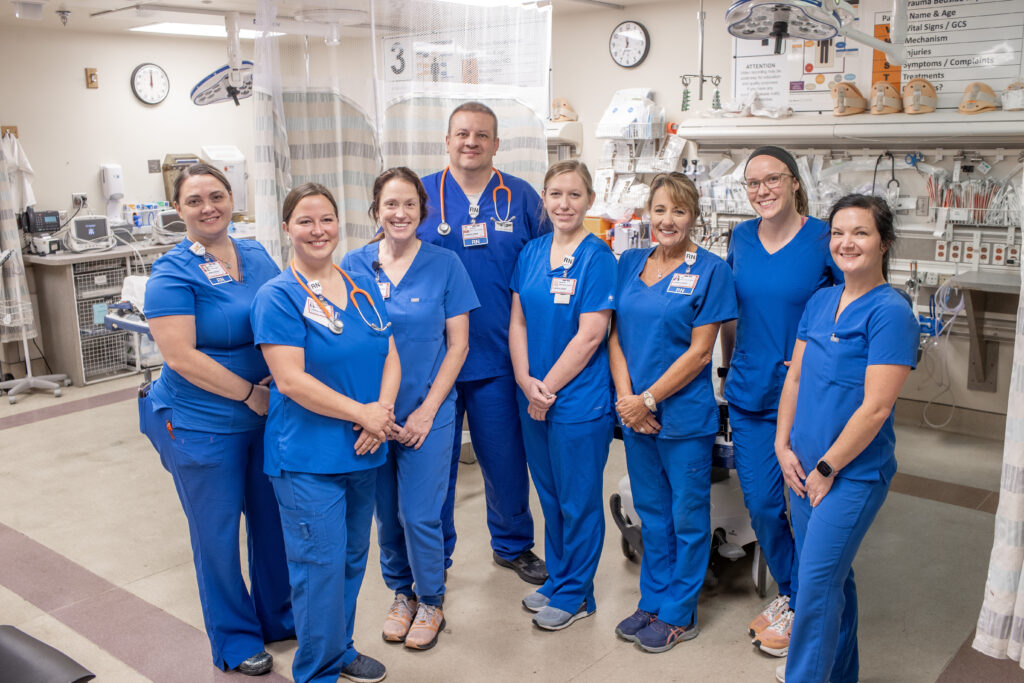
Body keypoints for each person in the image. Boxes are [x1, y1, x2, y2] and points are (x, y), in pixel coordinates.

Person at [139, 163, 293, 676]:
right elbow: (180, 356)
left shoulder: (256, 253)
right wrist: (249, 393)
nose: (208, 208)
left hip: (266, 418)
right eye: (194, 200)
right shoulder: (171, 274)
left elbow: (283, 310)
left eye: (217, 196)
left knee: (272, 522)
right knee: (218, 535)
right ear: (177, 209)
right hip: (201, 424)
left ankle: (279, 617)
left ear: (232, 198)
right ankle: (235, 639)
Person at [251, 183, 400, 683]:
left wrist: (381, 413)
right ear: (287, 229)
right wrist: (364, 414)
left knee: (352, 560)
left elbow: (390, 353)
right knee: (319, 569)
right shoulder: (278, 296)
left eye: (327, 220)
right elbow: (291, 381)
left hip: (362, 448)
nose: (318, 231)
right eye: (306, 221)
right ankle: (317, 673)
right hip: (307, 458)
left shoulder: (360, 284)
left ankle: (340, 648)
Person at [773, 194, 918, 683]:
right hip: (803, 467)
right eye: (838, 233)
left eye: (860, 232)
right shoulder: (820, 301)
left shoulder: (891, 313)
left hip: (850, 475)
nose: (846, 243)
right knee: (832, 579)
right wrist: (782, 446)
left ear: (884, 242)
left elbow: (876, 407)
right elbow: (795, 377)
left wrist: (827, 467)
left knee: (814, 587)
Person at [341, 168, 478, 650]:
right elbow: (345, 341)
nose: (400, 213)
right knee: (385, 514)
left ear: (422, 211)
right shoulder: (353, 265)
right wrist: (368, 412)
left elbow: (458, 345)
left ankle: (432, 599)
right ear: (376, 210)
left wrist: (426, 411)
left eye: (409, 205)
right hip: (373, 415)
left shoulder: (445, 265)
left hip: (428, 412)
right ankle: (402, 594)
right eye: (390, 204)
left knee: (419, 514)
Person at [719, 146, 843, 658]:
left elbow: (847, 311)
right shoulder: (741, 238)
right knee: (766, 508)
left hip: (808, 398)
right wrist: (729, 369)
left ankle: (810, 605)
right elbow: (732, 315)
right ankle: (794, 596)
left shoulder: (824, 239)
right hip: (751, 394)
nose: (762, 190)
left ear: (794, 182)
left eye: (772, 179)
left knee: (810, 510)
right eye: (752, 183)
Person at [418, 101, 549, 585]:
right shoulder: (421, 196)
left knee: (505, 460)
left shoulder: (521, 197)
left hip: (498, 355)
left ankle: (513, 545)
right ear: (447, 140)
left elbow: (549, 257)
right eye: (462, 133)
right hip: (433, 361)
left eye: (481, 135)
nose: (470, 142)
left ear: (496, 144)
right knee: (434, 466)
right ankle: (433, 557)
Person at [608, 172, 738, 652]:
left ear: (694, 217)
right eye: (660, 209)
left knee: (686, 515)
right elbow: (614, 336)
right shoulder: (629, 263)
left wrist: (647, 399)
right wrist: (628, 400)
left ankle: (681, 612)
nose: (668, 220)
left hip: (681, 418)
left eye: (679, 211)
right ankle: (653, 600)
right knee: (651, 512)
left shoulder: (711, 271)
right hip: (635, 415)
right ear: (648, 213)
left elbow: (701, 353)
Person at [508, 161, 616, 631]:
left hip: (577, 400)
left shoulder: (598, 257)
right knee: (550, 496)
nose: (564, 204)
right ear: (544, 199)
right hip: (532, 393)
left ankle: (577, 593)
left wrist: (545, 388)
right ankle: (558, 578)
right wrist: (523, 380)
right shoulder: (531, 252)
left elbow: (591, 336)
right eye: (555, 194)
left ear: (589, 200)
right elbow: (517, 321)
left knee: (578, 499)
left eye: (574, 195)